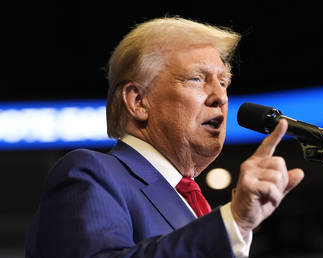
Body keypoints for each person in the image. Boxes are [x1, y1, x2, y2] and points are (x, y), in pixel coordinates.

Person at [25, 17, 304, 258]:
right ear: (138, 102)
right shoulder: (90, 174)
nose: (220, 97)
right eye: (196, 78)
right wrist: (234, 221)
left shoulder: (196, 206)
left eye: (223, 82)